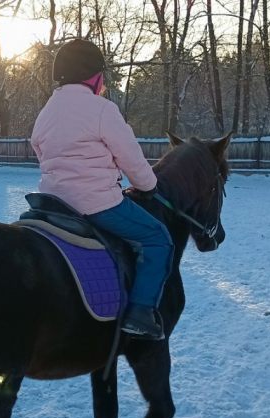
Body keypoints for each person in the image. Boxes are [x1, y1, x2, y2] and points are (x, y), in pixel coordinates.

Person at [29, 39, 174, 340]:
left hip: (51, 203)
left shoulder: (46, 111)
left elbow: (40, 151)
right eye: (102, 76)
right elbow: (130, 157)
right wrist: (147, 185)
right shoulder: (101, 109)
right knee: (159, 238)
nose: (104, 82)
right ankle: (140, 312)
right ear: (92, 76)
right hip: (96, 204)